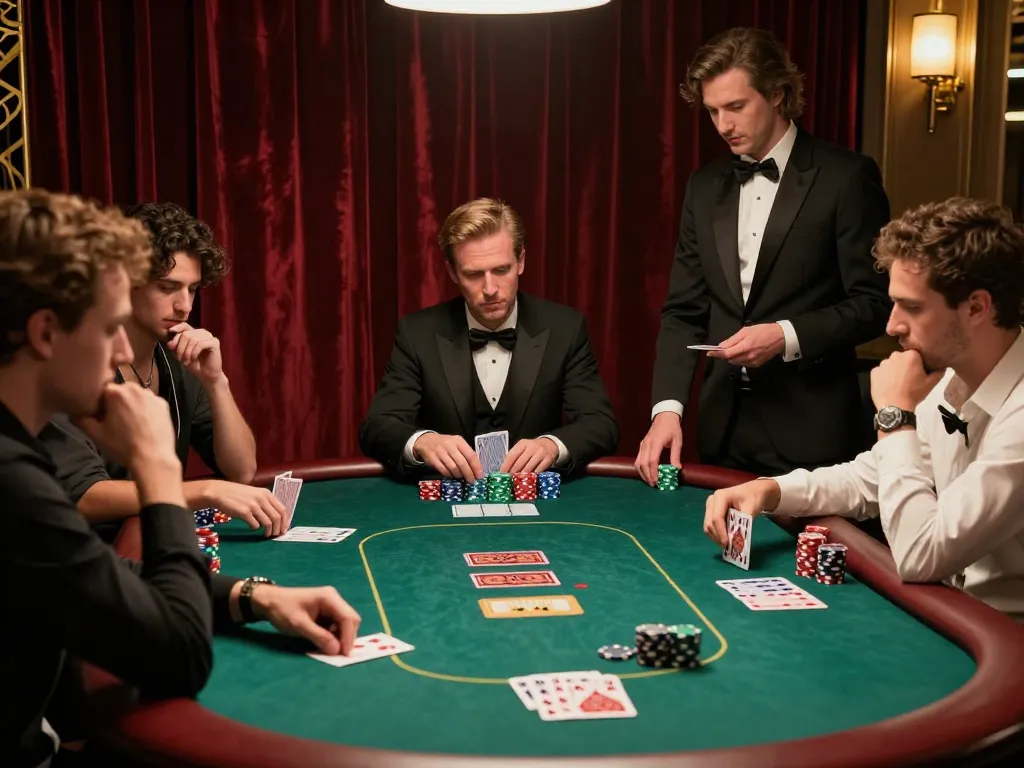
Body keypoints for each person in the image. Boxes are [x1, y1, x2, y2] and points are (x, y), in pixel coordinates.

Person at [0, 190, 361, 768]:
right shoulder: (11, 480)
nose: (123, 349)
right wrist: (161, 472)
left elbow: (101, 577)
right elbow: (180, 654)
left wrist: (254, 596)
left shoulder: (14, 455)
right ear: (45, 334)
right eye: (110, 326)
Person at [704, 197, 1024, 622]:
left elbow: (920, 554)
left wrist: (895, 415)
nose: (891, 326)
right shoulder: (950, 377)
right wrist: (769, 491)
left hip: (1006, 643)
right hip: (953, 616)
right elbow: (867, 479)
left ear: (977, 307)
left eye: (912, 307)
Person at [635, 27, 891, 483]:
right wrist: (667, 410)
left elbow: (875, 303)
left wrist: (785, 335)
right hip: (722, 431)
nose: (723, 125)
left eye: (736, 106)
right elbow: (683, 311)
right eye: (712, 110)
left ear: (777, 93)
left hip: (813, 433)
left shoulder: (846, 177)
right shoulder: (705, 185)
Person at [40, 202, 288, 537]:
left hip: (149, 543)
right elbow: (83, 494)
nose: (184, 305)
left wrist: (216, 382)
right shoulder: (72, 365)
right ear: (124, 282)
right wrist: (202, 492)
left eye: (193, 289)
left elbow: (241, 469)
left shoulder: (177, 359)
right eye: (168, 287)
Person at [360, 197, 618, 480]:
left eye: (501, 270)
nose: (490, 288)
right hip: (445, 511)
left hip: (540, 509)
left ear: (521, 261)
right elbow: (377, 426)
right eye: (473, 274)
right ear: (452, 273)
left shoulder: (565, 328)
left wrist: (552, 446)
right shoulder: (417, 333)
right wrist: (422, 442)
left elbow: (601, 424)